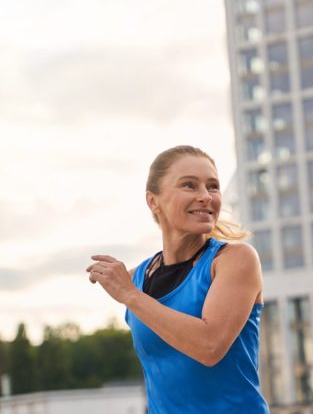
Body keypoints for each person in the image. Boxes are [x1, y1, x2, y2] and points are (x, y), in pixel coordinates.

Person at [86, 145, 268, 413]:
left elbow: (210, 346)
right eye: (190, 186)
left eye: (213, 186)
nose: (206, 196)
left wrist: (131, 296)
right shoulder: (137, 277)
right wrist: (130, 291)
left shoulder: (235, 259)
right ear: (153, 200)